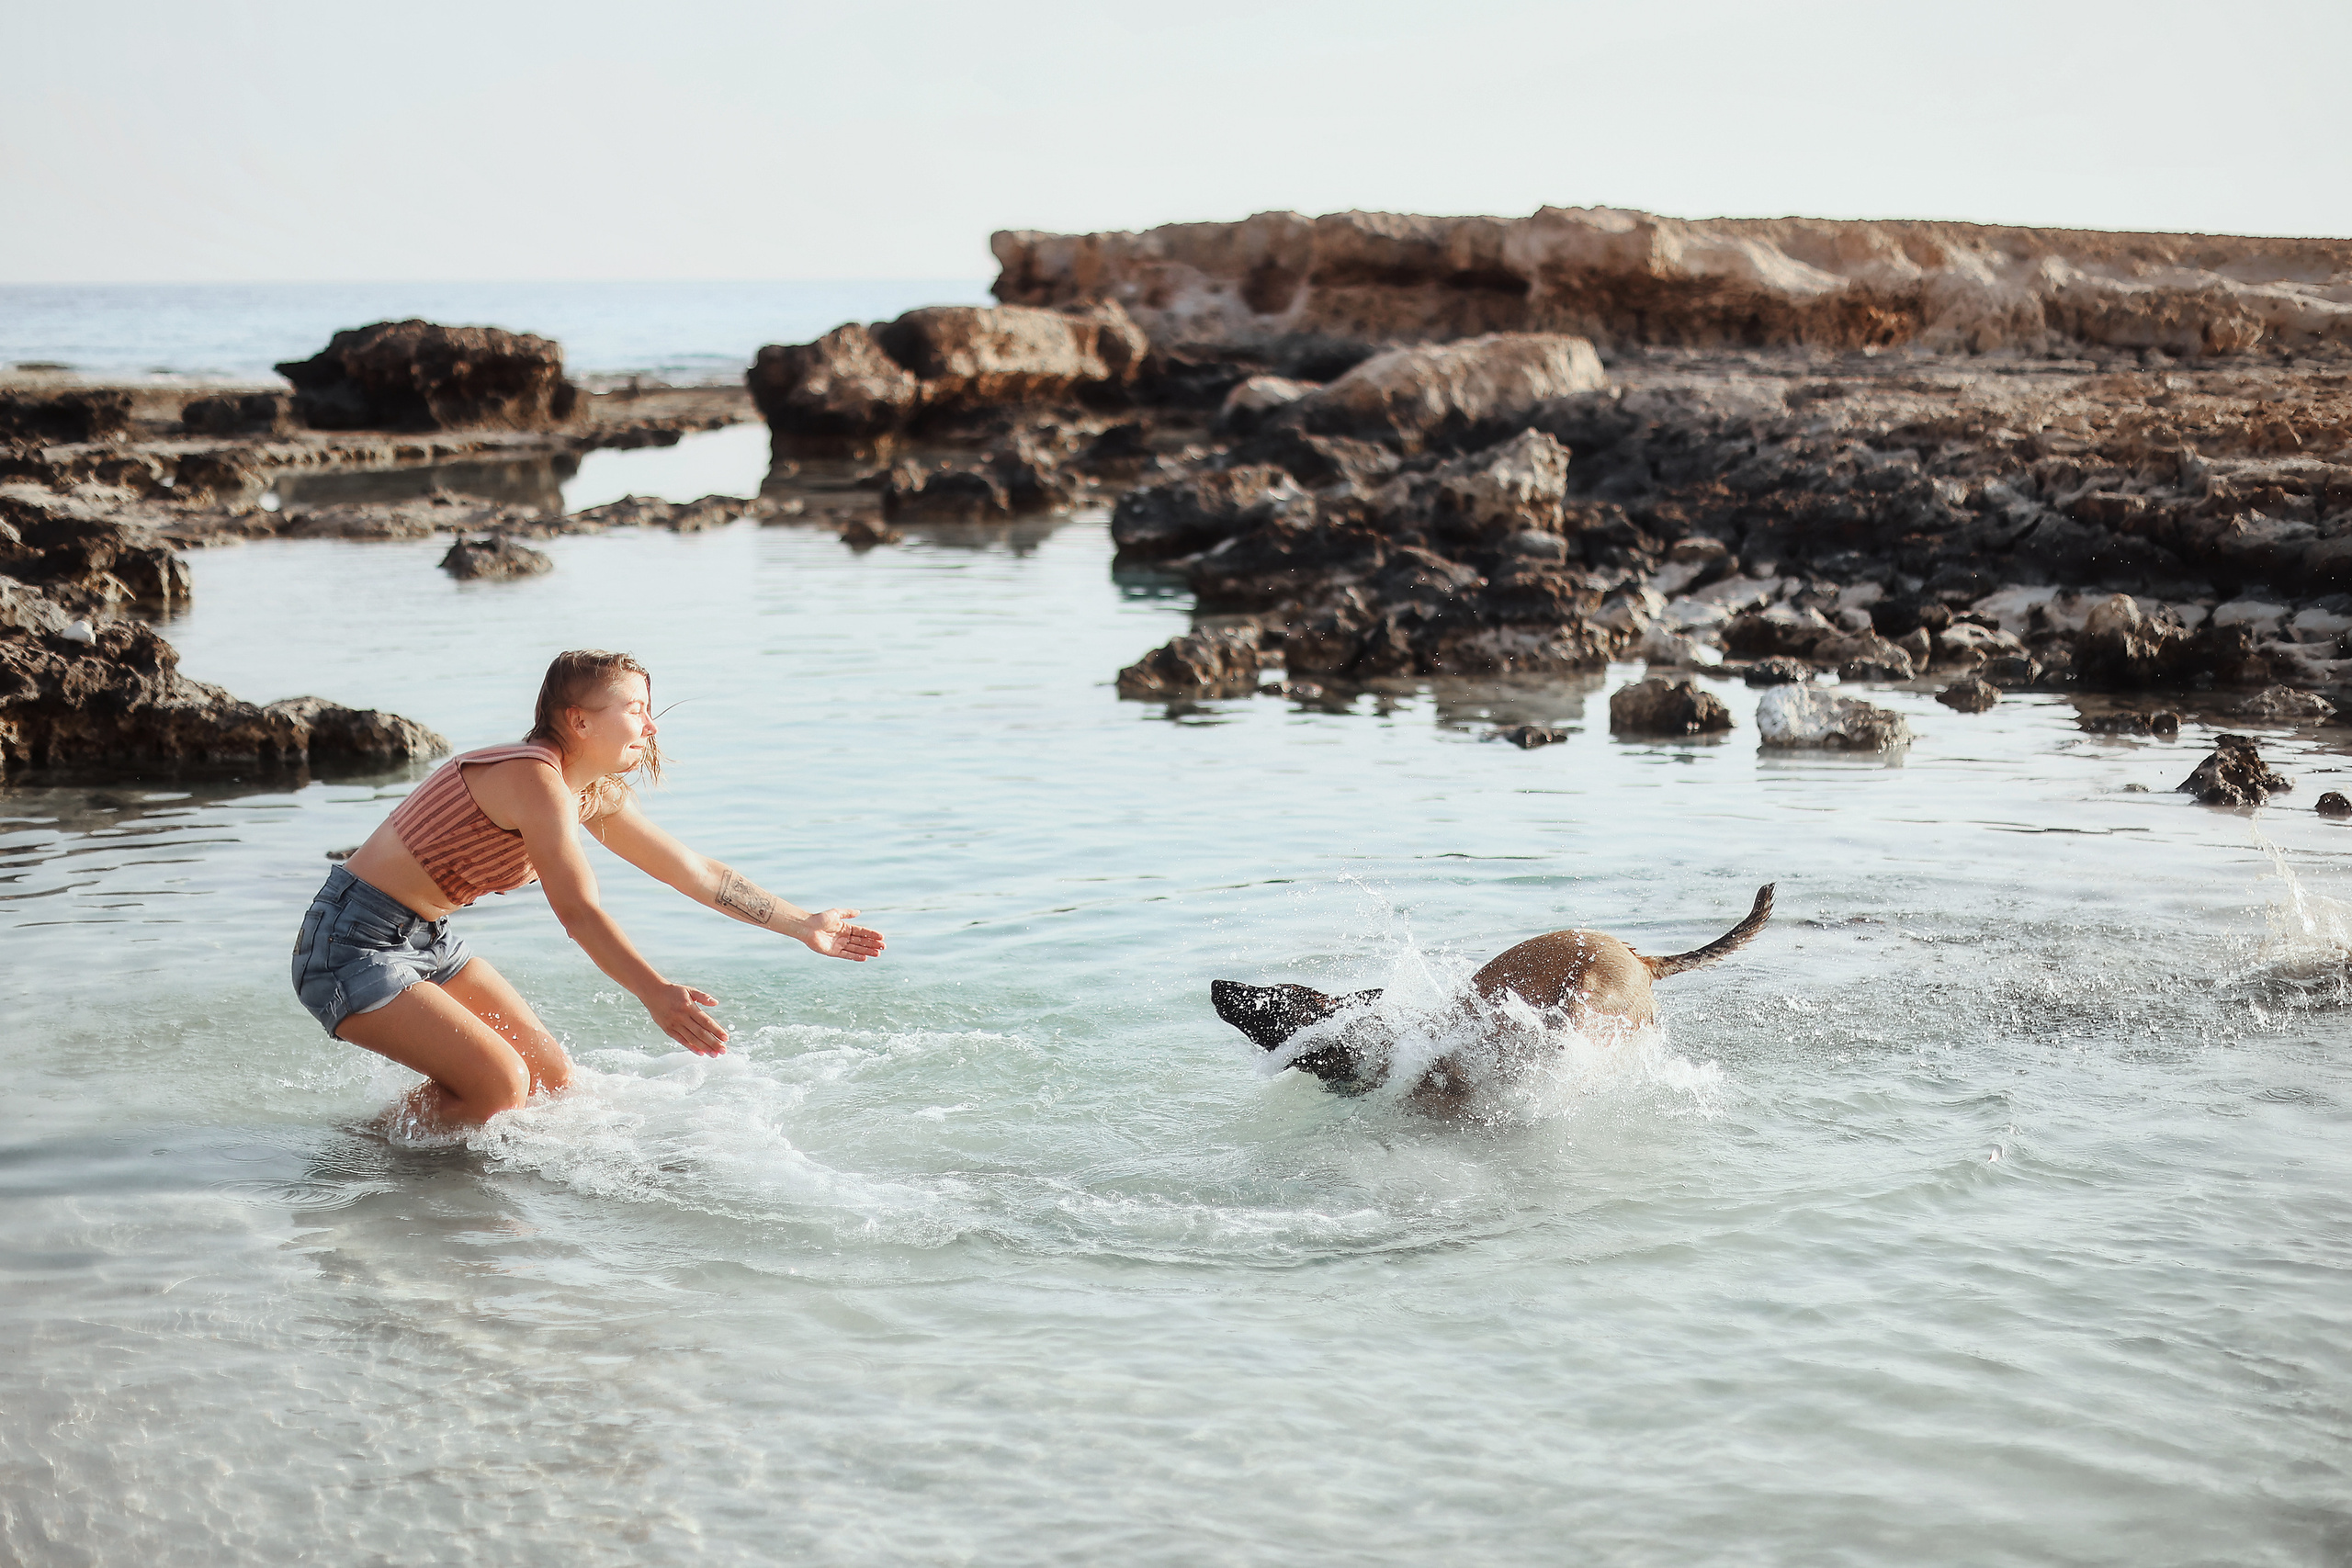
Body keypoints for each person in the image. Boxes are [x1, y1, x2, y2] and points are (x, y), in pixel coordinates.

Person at [290, 649, 884, 1131]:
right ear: (578, 720)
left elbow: (692, 870)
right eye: (635, 709)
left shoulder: (588, 792)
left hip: (426, 939)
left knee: (553, 1080)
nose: (650, 726)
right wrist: (654, 992)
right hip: (351, 941)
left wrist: (802, 923)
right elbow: (577, 911)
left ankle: (393, 1139)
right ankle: (362, 1155)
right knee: (502, 1087)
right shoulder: (534, 780)